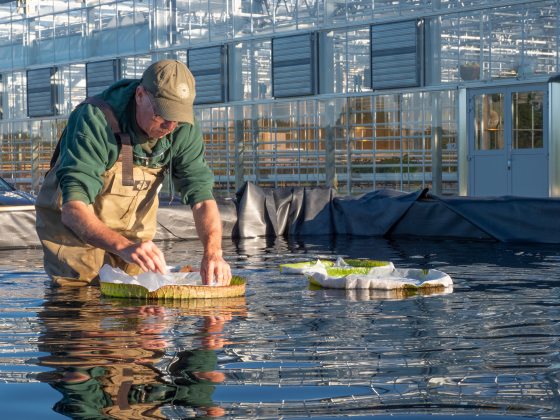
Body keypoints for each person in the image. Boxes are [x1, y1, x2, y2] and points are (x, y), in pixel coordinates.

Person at [35, 59, 232, 287]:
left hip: (131, 232)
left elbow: (201, 198)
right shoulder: (95, 119)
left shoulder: (182, 127)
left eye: (176, 118)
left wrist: (213, 252)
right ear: (140, 95)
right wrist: (123, 247)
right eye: (162, 115)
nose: (169, 127)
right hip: (75, 230)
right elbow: (73, 210)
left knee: (137, 297)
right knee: (81, 297)